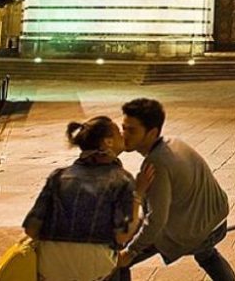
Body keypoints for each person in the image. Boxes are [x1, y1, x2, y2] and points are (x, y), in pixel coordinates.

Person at [114, 98, 235, 281]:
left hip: (196, 231)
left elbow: (156, 220)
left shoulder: (156, 163)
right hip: (217, 219)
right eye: (123, 128)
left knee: (116, 263)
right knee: (207, 255)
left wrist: (130, 253)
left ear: (152, 133)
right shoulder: (173, 142)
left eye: (131, 130)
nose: (124, 135)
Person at [22, 116, 153, 281]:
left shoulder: (58, 176)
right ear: (108, 142)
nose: (123, 135)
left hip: (50, 268)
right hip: (93, 270)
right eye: (118, 133)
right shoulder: (121, 179)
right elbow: (122, 235)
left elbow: (31, 229)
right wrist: (138, 193)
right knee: (121, 262)